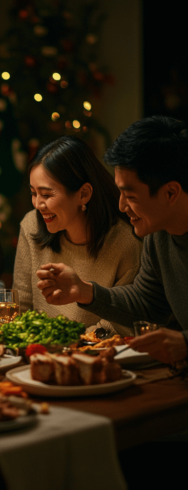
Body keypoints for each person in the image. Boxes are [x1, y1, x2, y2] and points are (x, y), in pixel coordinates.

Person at [36, 116, 188, 363]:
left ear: (170, 192)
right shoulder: (157, 237)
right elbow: (147, 303)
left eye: (130, 196)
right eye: (120, 193)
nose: (121, 205)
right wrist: (85, 291)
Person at [13, 136, 142, 335]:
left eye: (46, 195)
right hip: (35, 352)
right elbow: (21, 307)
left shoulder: (125, 244)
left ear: (83, 194)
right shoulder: (31, 225)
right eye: (33, 193)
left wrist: (66, 345)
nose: (38, 204)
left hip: (93, 354)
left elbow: (120, 324)